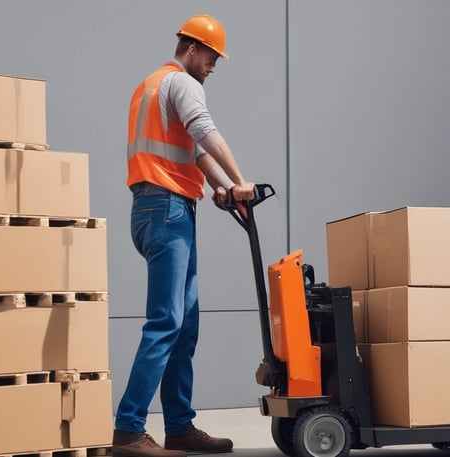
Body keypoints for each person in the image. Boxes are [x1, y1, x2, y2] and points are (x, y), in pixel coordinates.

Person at [113, 14, 255, 457]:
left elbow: (189, 151)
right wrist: (240, 177)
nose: (213, 67)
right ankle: (129, 430)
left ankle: (179, 427)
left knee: (185, 323)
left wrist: (220, 187)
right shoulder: (185, 84)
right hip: (167, 211)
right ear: (193, 49)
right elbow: (204, 133)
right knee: (166, 322)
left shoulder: (149, 87)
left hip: (157, 209)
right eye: (212, 57)